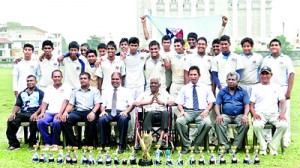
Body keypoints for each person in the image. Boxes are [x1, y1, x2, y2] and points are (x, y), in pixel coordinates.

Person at [261, 39, 295, 147]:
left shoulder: (286, 59)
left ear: (280, 47)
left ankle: (286, 138)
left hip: (282, 88)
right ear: (269, 47)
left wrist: (289, 91)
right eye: (272, 45)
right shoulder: (266, 59)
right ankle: (268, 137)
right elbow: (262, 74)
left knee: (284, 114)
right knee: (269, 112)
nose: (274, 46)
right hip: (269, 89)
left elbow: (291, 74)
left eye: (276, 45)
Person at [175, 66, 215, 154]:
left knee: (207, 123)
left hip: (201, 112)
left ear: (199, 76)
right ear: (189, 76)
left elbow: (211, 101)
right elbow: (179, 103)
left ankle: (197, 144)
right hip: (188, 112)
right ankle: (186, 145)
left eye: (195, 74)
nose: (193, 76)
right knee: (179, 121)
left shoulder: (205, 87)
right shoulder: (184, 88)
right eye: (191, 74)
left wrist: (207, 110)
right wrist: (182, 111)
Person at [250, 66, 288, 156]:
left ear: (271, 75)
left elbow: (283, 102)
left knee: (284, 125)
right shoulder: (255, 87)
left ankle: (272, 146)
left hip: (274, 114)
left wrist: (282, 113)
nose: (265, 76)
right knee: (257, 125)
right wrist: (254, 113)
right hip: (260, 114)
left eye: (267, 73)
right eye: (263, 74)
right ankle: (263, 147)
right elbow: (251, 105)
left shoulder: (277, 87)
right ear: (260, 75)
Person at [61, 72, 101, 147]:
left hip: (89, 111)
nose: (83, 80)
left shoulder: (95, 91)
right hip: (77, 112)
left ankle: (87, 144)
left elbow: (97, 104)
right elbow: (71, 104)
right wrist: (66, 112)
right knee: (64, 120)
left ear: (89, 80)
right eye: (81, 78)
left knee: (92, 120)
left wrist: (93, 112)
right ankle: (74, 144)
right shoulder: (75, 91)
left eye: (85, 78)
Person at [98, 72, 134, 154]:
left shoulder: (126, 91)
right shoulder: (106, 91)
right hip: (108, 112)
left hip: (121, 112)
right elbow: (102, 104)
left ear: (120, 80)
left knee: (123, 119)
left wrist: (126, 111)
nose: (115, 81)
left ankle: (121, 145)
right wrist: (102, 111)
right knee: (101, 120)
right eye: (113, 79)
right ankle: (103, 144)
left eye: (117, 79)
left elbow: (132, 104)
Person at [214, 72, 250, 153]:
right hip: (226, 115)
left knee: (245, 124)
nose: (231, 81)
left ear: (238, 81)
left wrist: (245, 115)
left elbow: (247, 105)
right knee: (218, 122)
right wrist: (218, 115)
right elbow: (217, 105)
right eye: (229, 80)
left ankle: (235, 146)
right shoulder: (222, 92)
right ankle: (224, 146)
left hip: (239, 115)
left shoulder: (243, 92)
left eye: (233, 80)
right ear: (226, 81)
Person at [6, 75, 44, 151]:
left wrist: (36, 114)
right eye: (28, 81)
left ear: (36, 82)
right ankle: (14, 144)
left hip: (34, 112)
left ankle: (32, 143)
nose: (29, 82)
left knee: (33, 121)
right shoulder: (22, 93)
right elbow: (18, 105)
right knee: (11, 121)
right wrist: (13, 113)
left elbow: (42, 106)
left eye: (31, 80)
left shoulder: (40, 93)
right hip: (23, 113)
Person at [37, 70, 71, 151]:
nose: (57, 78)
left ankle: (56, 143)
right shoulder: (49, 88)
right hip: (49, 112)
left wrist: (60, 113)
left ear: (62, 77)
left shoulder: (66, 87)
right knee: (40, 122)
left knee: (56, 122)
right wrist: (42, 112)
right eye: (55, 76)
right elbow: (45, 101)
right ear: (52, 78)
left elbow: (66, 101)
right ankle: (47, 143)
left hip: (60, 112)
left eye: (59, 76)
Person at [134, 77, 174, 146]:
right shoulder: (145, 94)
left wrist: (162, 102)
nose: (153, 85)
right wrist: (148, 102)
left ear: (159, 85)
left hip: (161, 114)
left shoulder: (164, 93)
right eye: (151, 83)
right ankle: (146, 139)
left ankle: (161, 139)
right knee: (150, 112)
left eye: (155, 83)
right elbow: (135, 103)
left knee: (165, 112)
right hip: (149, 114)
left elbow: (174, 102)